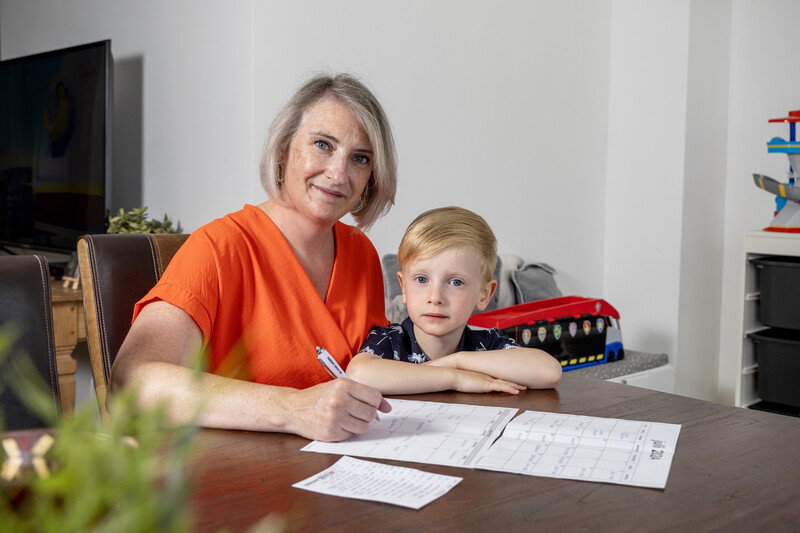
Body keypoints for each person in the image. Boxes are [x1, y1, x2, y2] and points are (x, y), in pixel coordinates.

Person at [110, 73, 397, 442]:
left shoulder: (362, 254)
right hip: (237, 481)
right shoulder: (217, 248)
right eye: (323, 145)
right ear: (283, 149)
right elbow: (131, 381)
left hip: (345, 472)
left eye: (360, 158)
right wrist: (292, 409)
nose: (339, 173)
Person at [347, 206, 562, 394]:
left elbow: (548, 372)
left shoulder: (485, 343)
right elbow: (358, 374)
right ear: (403, 288)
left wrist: (457, 361)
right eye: (422, 279)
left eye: (456, 282)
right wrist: (455, 377)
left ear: (484, 295)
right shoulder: (390, 341)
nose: (435, 297)